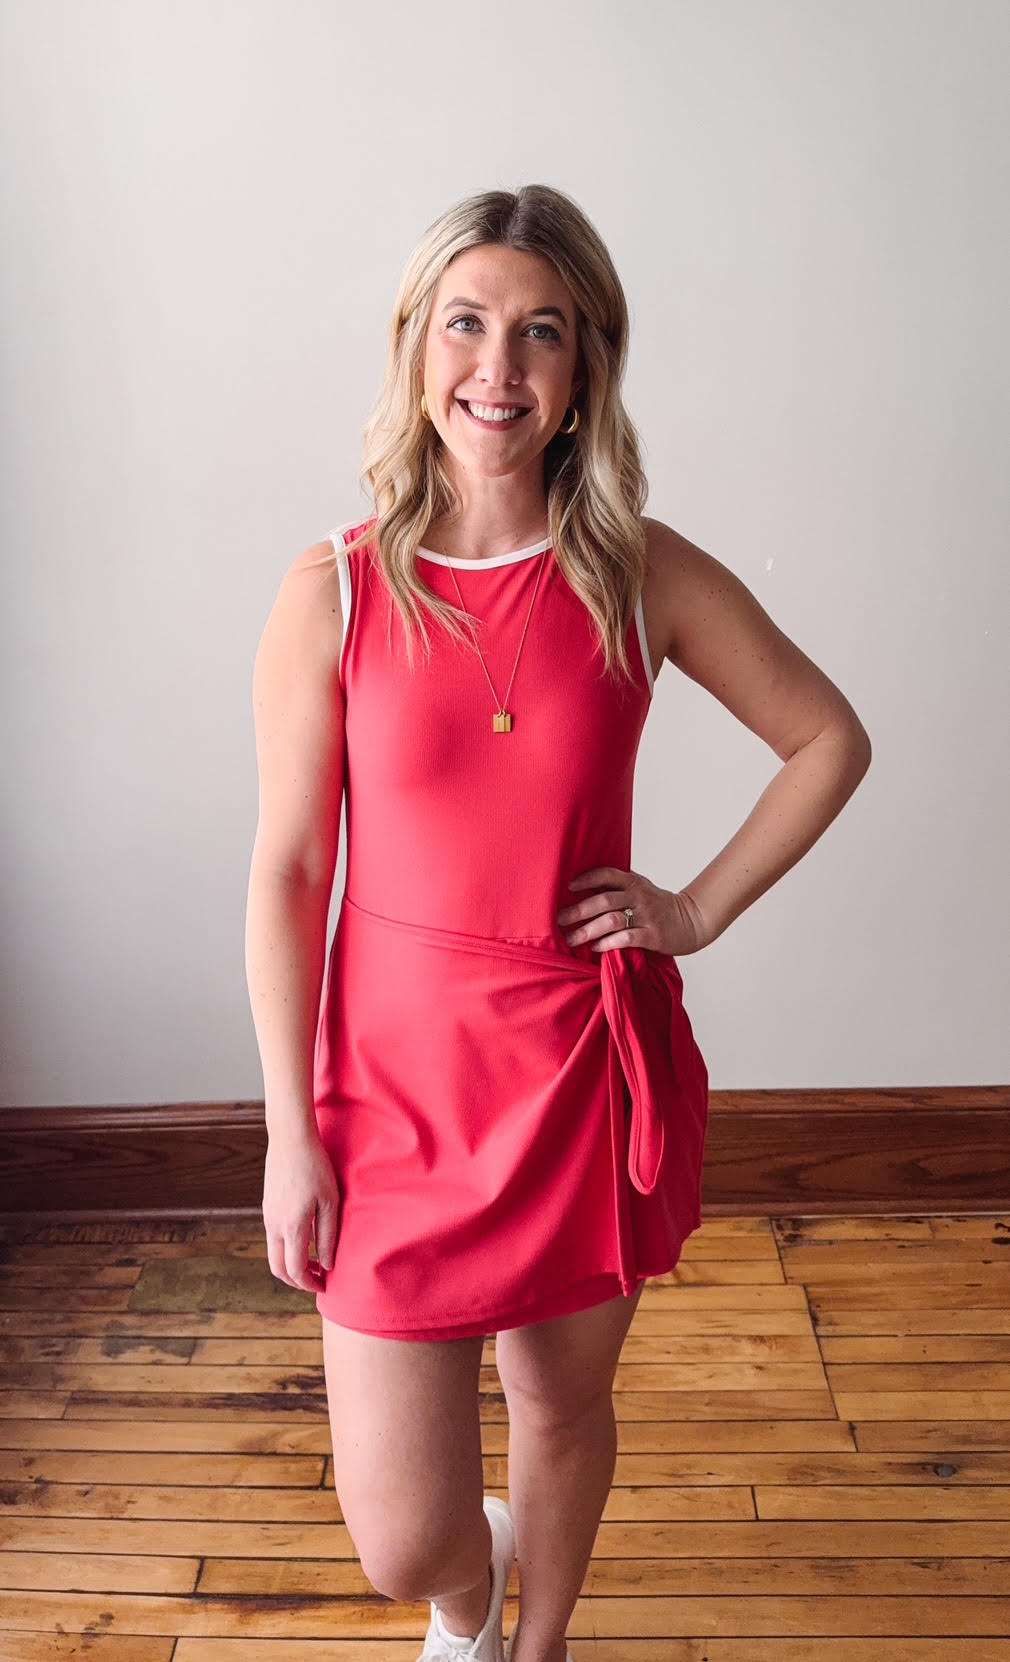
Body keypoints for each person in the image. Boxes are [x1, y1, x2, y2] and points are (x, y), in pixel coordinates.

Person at [245, 183, 871, 1662]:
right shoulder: (329, 591)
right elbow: (285, 872)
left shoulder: (638, 575)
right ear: (415, 347)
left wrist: (691, 909)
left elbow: (826, 738)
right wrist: (286, 1121)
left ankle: (536, 1644)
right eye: (465, 323)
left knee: (560, 1401)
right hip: (387, 1091)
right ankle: (466, 1600)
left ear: (587, 364)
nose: (498, 367)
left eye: (542, 332)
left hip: (575, 1069)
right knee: (400, 1531)